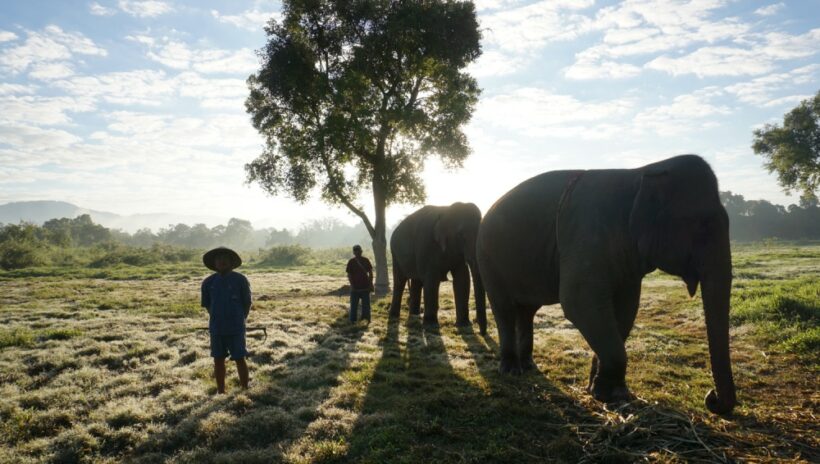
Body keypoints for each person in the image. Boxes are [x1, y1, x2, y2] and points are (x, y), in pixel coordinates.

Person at [201, 247, 252, 394]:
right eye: (218, 259)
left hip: (236, 327)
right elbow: (208, 305)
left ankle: (244, 389)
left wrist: (240, 319)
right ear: (214, 263)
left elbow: (247, 303)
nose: (221, 261)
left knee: (240, 358)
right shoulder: (208, 282)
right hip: (217, 328)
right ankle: (221, 391)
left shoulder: (240, 280)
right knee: (218, 359)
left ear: (231, 262)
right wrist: (218, 318)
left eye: (225, 258)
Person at [345, 244, 373, 323]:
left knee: (366, 306)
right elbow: (349, 275)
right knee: (354, 306)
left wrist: (370, 284)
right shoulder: (351, 262)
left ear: (361, 251)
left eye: (359, 251)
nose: (358, 253)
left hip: (365, 287)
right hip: (355, 288)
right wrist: (352, 286)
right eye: (356, 251)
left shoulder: (366, 260)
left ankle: (366, 320)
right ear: (354, 252)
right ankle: (353, 321)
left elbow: (370, 273)